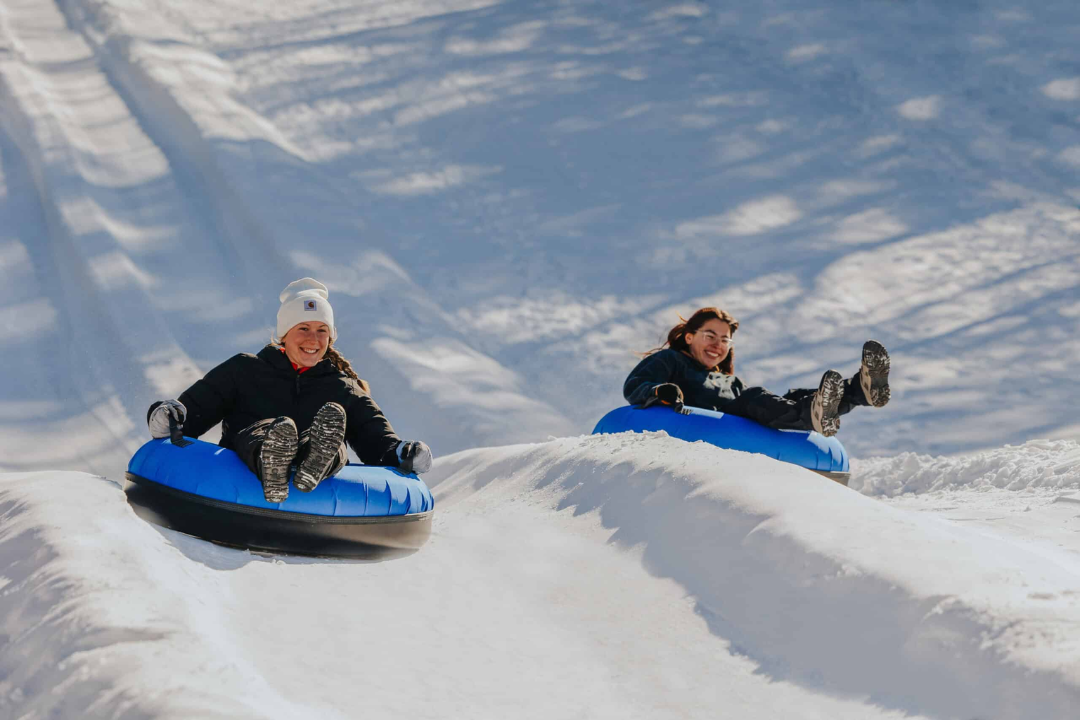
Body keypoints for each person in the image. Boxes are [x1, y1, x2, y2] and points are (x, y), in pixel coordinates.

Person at [146, 278, 433, 502]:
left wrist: (404, 452)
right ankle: (271, 460)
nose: (313, 338)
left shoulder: (343, 388)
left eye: (322, 330)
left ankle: (317, 459)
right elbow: (190, 413)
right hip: (246, 464)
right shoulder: (245, 370)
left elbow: (378, 442)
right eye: (303, 328)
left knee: (329, 437)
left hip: (316, 474)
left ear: (331, 337)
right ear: (284, 334)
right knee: (265, 431)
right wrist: (168, 414)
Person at [623, 307, 890, 437]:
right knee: (754, 397)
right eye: (710, 335)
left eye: (725, 340)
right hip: (706, 427)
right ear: (690, 337)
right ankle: (813, 416)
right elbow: (636, 384)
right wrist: (660, 392)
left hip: (738, 423)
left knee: (793, 396)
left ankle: (860, 390)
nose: (718, 344)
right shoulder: (671, 360)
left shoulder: (729, 381)